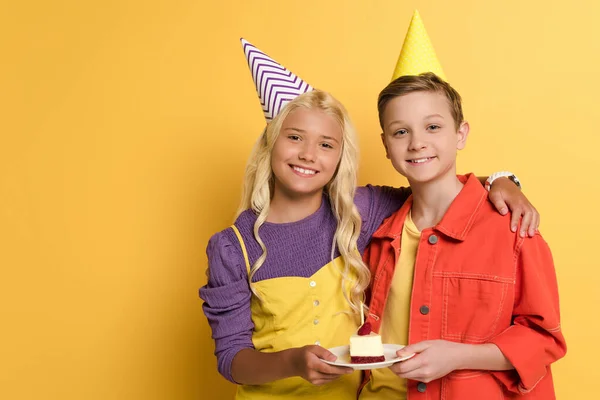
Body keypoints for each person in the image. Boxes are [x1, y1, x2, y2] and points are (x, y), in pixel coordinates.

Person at [200, 39, 538, 400]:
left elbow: (436, 186)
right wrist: (292, 363)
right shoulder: (232, 247)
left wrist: (502, 179)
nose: (309, 154)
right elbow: (231, 358)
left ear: (339, 157)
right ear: (271, 143)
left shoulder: (358, 209)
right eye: (295, 137)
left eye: (326, 144)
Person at [359, 72, 566, 400]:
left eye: (433, 127)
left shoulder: (513, 228)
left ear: (460, 134)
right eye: (401, 132)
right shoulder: (377, 233)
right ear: (385, 144)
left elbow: (544, 339)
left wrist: (457, 356)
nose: (417, 143)